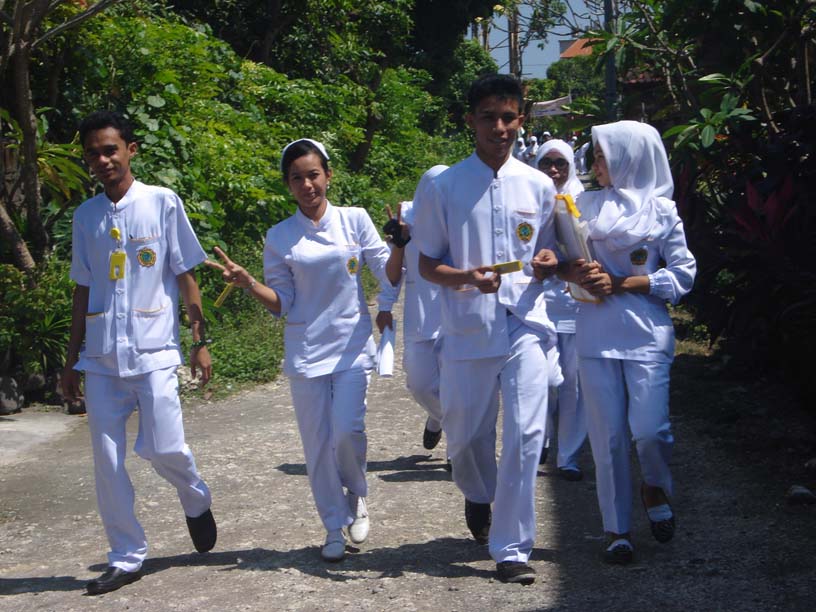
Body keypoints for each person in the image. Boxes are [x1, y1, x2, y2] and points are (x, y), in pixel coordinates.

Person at [205, 139, 403, 562]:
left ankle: (355, 495)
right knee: (317, 443)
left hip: (351, 345)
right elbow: (283, 303)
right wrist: (249, 283)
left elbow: (386, 274)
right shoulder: (280, 236)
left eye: (314, 175)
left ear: (328, 175)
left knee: (347, 431)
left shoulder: (354, 220)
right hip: (307, 350)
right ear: (288, 185)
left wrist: (400, 245)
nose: (307, 185)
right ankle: (333, 525)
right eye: (297, 178)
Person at [412, 73, 562, 585]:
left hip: (525, 322)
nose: (500, 128)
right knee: (466, 436)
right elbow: (427, 264)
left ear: (522, 119)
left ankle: (513, 547)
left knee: (526, 434)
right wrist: (465, 278)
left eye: (509, 118)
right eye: (489, 118)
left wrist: (549, 261)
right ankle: (478, 493)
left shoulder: (539, 186)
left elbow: (551, 251)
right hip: (468, 325)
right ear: (470, 121)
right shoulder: (445, 186)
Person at [62, 111, 216, 596]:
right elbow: (82, 289)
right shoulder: (85, 217)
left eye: (110, 149)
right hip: (101, 356)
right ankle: (126, 556)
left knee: (163, 446)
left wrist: (199, 340)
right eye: (93, 153)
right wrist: (70, 361)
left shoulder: (161, 202)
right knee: (107, 463)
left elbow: (185, 273)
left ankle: (195, 496)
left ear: (130, 149)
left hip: (154, 350)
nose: (103, 160)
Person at [560, 120, 696, 564]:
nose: (595, 164)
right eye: (596, 155)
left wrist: (622, 283)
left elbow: (683, 275)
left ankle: (654, 485)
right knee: (609, 438)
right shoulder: (582, 205)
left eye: (603, 156)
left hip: (646, 334)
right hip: (595, 333)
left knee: (651, 431)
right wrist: (575, 272)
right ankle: (616, 530)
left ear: (629, 158)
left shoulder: (662, 211)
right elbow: (562, 260)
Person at [376, 166, 449, 452]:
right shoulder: (406, 219)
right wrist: (398, 245)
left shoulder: (463, 217)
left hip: (457, 313)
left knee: (457, 386)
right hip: (420, 316)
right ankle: (439, 417)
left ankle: (456, 447)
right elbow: (394, 275)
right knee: (420, 385)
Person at [533, 139, 588, 481]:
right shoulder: (528, 198)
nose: (553, 170)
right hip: (539, 304)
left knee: (574, 386)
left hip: (576, 304)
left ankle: (568, 456)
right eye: (546, 163)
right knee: (545, 380)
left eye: (560, 163)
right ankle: (542, 437)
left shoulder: (584, 201)